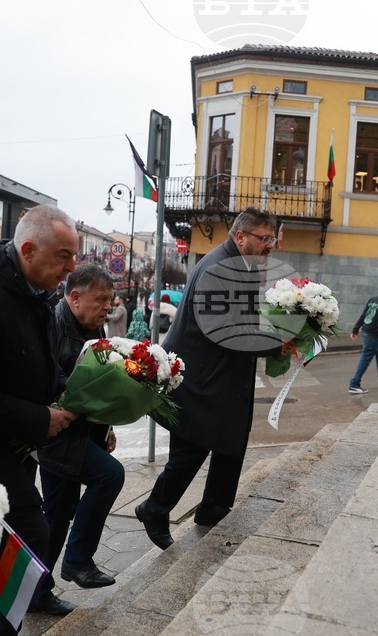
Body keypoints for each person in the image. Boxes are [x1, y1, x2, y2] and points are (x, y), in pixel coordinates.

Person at [135, 207, 288, 549]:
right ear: (240, 236)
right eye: (264, 238)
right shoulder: (220, 268)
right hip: (200, 378)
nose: (270, 246)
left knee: (230, 441)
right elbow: (223, 330)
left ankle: (213, 508)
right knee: (190, 451)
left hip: (219, 375)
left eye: (272, 239)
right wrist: (276, 342)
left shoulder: (239, 264)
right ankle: (154, 509)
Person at [0, 204, 79, 631]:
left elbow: (39, 362)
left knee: (10, 541)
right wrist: (41, 418)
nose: (71, 268)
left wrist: (70, 389)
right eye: (63, 256)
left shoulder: (37, 292)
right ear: (30, 249)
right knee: (31, 535)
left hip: (18, 440)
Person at [38, 264, 124, 591]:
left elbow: (99, 377)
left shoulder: (93, 328)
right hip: (55, 432)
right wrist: (74, 393)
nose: (108, 306)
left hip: (78, 432)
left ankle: (35, 594)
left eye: (110, 300)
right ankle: (77, 560)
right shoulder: (53, 323)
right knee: (110, 475)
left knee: (54, 518)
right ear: (75, 297)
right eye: (101, 299)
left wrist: (108, 427)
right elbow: (49, 377)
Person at [348, 280, 378, 395]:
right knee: (365, 358)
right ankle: (354, 384)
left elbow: (364, 314)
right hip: (373, 334)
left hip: (366, 331)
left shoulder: (373, 299)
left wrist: (355, 329)